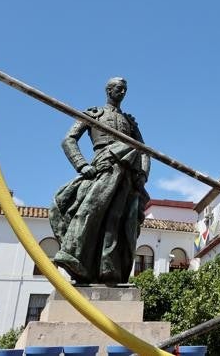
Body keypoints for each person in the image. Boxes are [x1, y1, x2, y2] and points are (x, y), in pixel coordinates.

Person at [50, 76, 151, 285]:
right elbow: (68, 139)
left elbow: (144, 151)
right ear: (109, 90)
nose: (122, 93)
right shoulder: (94, 114)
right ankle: (74, 255)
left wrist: (142, 176)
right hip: (103, 168)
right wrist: (83, 165)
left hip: (128, 175)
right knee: (91, 211)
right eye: (119, 89)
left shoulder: (130, 122)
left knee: (120, 222)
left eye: (125, 90)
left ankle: (110, 270)